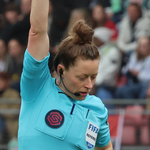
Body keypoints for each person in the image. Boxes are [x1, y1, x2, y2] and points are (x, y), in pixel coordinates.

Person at [18, 0, 113, 149]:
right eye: (81, 77)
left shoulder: (97, 109)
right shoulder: (38, 87)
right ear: (61, 70)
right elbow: (37, 32)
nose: (89, 85)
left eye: (93, 77)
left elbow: (106, 147)